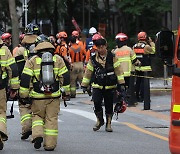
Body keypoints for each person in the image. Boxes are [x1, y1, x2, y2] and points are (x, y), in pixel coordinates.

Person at [19, 34, 69, 151]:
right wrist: (66, 92)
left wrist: (24, 95)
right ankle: (50, 145)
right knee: (51, 119)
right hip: (54, 96)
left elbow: (25, 79)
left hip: (37, 97)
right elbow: (65, 76)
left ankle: (37, 136)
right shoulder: (58, 59)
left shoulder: (32, 61)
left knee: (37, 116)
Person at [81, 36, 125, 132]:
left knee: (109, 104)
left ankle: (109, 123)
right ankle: (99, 120)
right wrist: (84, 85)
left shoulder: (112, 57)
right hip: (97, 85)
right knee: (96, 102)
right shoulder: (93, 59)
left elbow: (118, 70)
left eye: (102, 47)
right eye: (99, 47)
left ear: (106, 46)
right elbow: (88, 72)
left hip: (110, 85)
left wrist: (121, 84)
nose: (101, 49)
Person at [14, 23, 40, 140]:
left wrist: (14, 85)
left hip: (24, 82)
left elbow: (16, 68)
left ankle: (26, 128)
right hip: (39, 82)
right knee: (37, 108)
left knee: (24, 106)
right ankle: (37, 131)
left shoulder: (20, 50)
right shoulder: (43, 48)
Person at [0, 39, 19, 150]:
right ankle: (1, 132)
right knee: (1, 112)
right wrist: (14, 87)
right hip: (0, 88)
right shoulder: (4, 50)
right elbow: (13, 69)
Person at [133, 31, 155, 102]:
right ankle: (143, 97)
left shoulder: (134, 46)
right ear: (145, 37)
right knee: (144, 83)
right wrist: (151, 42)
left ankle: (137, 97)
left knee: (138, 83)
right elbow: (154, 51)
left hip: (137, 67)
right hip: (145, 68)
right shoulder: (146, 46)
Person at [54, 31, 71, 101]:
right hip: (62, 64)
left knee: (63, 80)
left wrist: (69, 62)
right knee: (64, 79)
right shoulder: (62, 46)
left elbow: (65, 56)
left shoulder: (62, 46)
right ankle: (65, 94)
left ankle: (65, 94)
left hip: (60, 64)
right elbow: (65, 56)